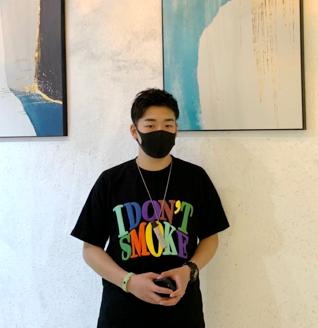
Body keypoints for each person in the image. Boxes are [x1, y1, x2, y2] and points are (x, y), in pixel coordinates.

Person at [71, 88, 230, 328]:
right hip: (122, 314)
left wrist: (190, 270)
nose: (160, 131)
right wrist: (129, 282)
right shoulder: (111, 181)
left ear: (176, 130)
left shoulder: (195, 178)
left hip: (182, 314)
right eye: (150, 125)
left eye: (168, 125)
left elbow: (210, 237)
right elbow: (90, 249)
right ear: (134, 131)